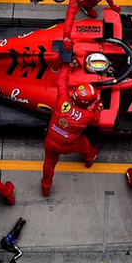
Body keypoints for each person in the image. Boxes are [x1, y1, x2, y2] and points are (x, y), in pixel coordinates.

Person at [41, 62, 101, 196]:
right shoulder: (87, 116)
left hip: (50, 141)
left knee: (48, 164)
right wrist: (98, 107)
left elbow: (61, 82)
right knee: (84, 143)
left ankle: (45, 188)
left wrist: (67, 65)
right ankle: (89, 159)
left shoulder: (63, 100)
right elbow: (96, 121)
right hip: (67, 145)